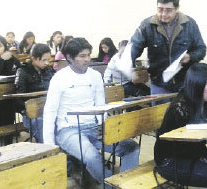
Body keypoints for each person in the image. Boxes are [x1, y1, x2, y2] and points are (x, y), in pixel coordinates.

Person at [43, 37, 139, 184]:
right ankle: (112, 185)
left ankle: (125, 183)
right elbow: (50, 111)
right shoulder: (59, 78)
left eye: (88, 55)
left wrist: (103, 125)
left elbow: (101, 105)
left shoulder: (95, 76)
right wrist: (49, 145)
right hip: (69, 130)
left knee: (131, 147)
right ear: (69, 57)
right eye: (82, 56)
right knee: (92, 157)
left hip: (95, 127)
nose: (87, 59)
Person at [154, 63, 207, 188]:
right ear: (196, 84)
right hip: (169, 161)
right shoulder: (179, 109)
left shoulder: (203, 103)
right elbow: (178, 148)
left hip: (191, 154)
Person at [130, 0, 206, 94]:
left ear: (177, 8)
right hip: (159, 83)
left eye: (168, 10)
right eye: (160, 9)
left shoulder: (189, 24)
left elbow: (201, 49)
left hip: (185, 83)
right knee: (160, 110)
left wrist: (190, 57)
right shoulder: (147, 25)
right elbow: (134, 46)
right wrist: (125, 58)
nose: (163, 14)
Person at [15, 44, 55, 142]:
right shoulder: (23, 71)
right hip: (31, 113)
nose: (47, 63)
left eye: (48, 60)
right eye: (43, 60)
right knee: (41, 122)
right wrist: (29, 110)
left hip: (48, 108)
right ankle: (48, 150)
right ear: (33, 58)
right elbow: (19, 97)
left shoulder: (49, 70)